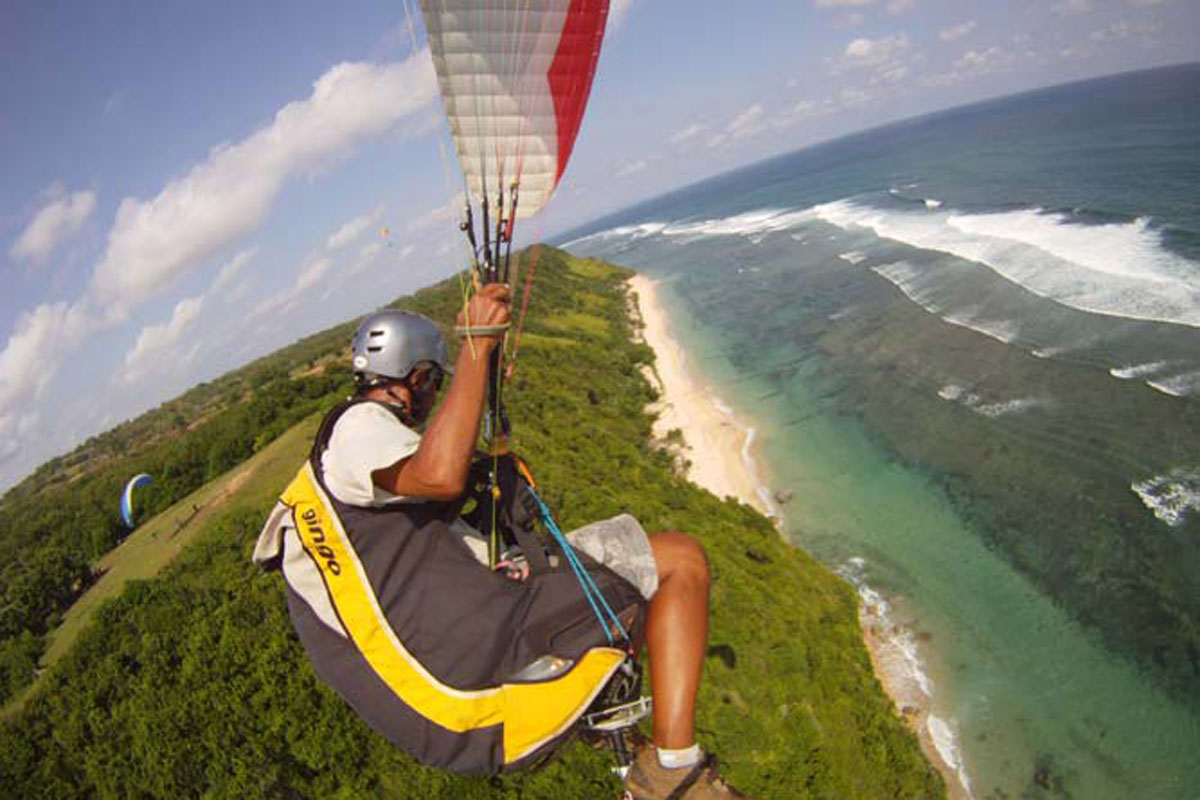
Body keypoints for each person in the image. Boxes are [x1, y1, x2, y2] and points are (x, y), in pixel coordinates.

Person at [254, 284, 751, 799]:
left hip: (447, 715)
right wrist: (476, 345)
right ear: (418, 379)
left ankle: (621, 743)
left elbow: (416, 543)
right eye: (432, 385)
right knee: (679, 560)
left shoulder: (334, 493)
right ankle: (672, 771)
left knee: (563, 576)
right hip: (471, 689)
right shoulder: (355, 428)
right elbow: (439, 474)